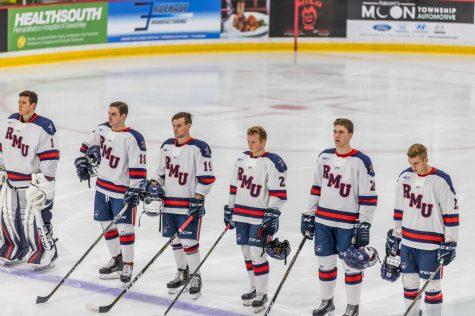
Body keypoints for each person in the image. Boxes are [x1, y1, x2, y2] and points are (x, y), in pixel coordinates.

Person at [301, 118, 377, 316]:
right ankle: (327, 302)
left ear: (350, 135)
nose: (336, 135)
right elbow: (316, 187)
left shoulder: (361, 161)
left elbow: (368, 196)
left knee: (351, 265)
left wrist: (364, 224)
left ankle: (353, 306)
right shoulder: (324, 157)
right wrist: (310, 214)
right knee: (325, 264)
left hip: (347, 223)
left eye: (341, 132)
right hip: (323, 221)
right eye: (335, 131)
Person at [382, 144, 458, 316]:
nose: (413, 167)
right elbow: (398, 209)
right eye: (410, 163)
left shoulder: (441, 180)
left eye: (416, 163)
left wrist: (450, 242)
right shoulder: (405, 176)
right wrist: (396, 234)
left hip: (431, 246)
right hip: (408, 243)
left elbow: (451, 214)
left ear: (426, 159)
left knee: (432, 288)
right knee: (409, 284)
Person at [75, 101, 146, 283]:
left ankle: (128, 263)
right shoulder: (102, 130)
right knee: (106, 225)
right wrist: (82, 160)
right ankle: (117, 258)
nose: (110, 117)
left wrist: (134, 190)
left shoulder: (133, 137)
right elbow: (85, 147)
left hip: (121, 191)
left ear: (123, 116)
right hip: (102, 187)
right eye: (109, 113)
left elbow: (138, 168)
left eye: (114, 114)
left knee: (125, 228)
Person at [224, 126, 287, 313]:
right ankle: (254, 288)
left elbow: (279, 193)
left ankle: (262, 293)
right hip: (241, 213)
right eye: (249, 141)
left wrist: (273, 212)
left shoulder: (272, 162)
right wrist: (230, 208)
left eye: (254, 141)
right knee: (246, 253)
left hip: (260, 216)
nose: (251, 144)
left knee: (256, 253)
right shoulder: (241, 159)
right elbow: (234, 186)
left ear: (263, 141)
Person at [152, 112, 215, 299]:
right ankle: (182, 272)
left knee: (189, 242)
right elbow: (161, 174)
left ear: (188, 125)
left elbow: (207, 178)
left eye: (179, 125)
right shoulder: (166, 146)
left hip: (188, 204)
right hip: (169, 203)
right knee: (175, 241)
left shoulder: (199, 148)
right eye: (174, 125)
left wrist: (198, 198)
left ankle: (196, 276)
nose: (176, 128)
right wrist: (152, 185)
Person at [0, 90, 60, 270]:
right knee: (9, 218)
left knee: (34, 221)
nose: (20, 105)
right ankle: (15, 247)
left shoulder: (44, 126)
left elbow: (50, 157)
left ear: (33, 105)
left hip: (32, 183)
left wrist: (45, 182)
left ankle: (46, 251)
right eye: (19, 102)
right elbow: (3, 147)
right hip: (11, 179)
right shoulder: (11, 120)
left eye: (24, 102)